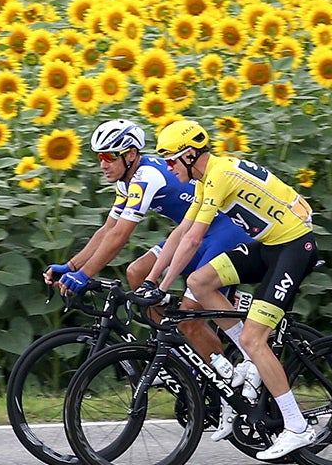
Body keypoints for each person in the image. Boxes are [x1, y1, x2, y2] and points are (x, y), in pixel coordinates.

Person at [44, 117, 263, 437]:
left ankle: (226, 379)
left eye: (107, 157)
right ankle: (176, 355)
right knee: (137, 272)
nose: (101, 164)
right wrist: (73, 266)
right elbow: (107, 229)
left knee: (189, 319)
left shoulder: (147, 177)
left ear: (129, 155)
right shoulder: (127, 181)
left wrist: (86, 275)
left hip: (222, 233)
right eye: (98, 157)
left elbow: (120, 237)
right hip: (192, 233)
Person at [149, 119, 323, 461]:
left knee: (254, 339)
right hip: (271, 245)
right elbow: (180, 233)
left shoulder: (219, 175)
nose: (168, 167)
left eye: (170, 160)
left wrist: (163, 285)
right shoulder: (206, 177)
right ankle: (250, 361)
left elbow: (194, 239)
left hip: (294, 247)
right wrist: (152, 282)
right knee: (199, 281)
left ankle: (297, 426)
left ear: (188, 155)